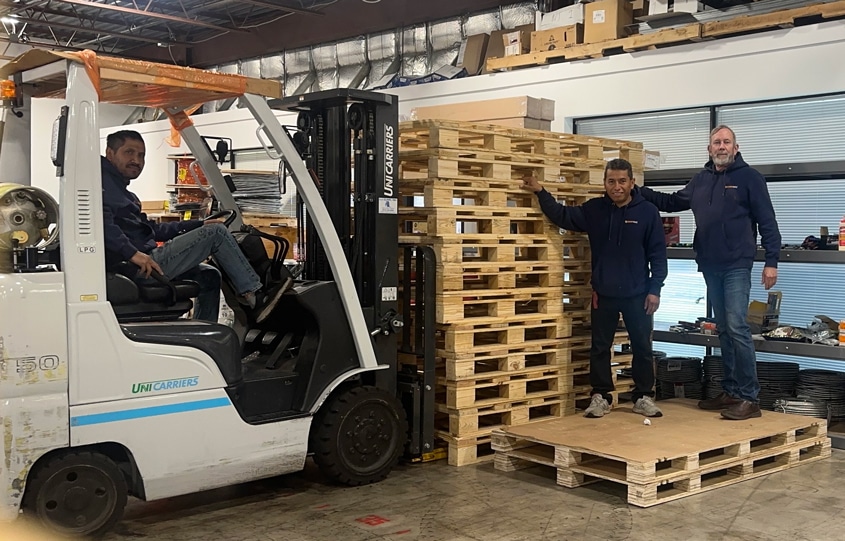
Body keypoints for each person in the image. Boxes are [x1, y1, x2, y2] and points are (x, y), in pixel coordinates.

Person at [638, 125, 781, 421]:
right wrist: (637, 190)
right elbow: (671, 202)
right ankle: (731, 391)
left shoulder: (749, 178)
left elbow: (768, 221)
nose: (721, 146)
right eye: (716, 142)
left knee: (737, 327)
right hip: (710, 264)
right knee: (725, 329)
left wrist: (772, 261)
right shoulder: (700, 181)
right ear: (709, 149)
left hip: (737, 264)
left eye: (727, 142)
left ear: (736, 147)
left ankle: (750, 398)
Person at [522, 158, 667, 419]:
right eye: (611, 181)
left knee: (642, 347)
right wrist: (540, 192)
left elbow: (658, 255)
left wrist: (655, 289)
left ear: (632, 183)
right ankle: (601, 396)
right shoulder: (595, 210)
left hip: (638, 295)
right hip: (604, 294)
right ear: (605, 183)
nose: (617, 186)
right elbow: (563, 215)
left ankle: (643, 396)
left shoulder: (647, 212)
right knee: (600, 347)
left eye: (622, 181)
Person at [102, 130, 292, 324]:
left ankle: (204, 333)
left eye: (141, 155)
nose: (136, 160)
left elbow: (154, 230)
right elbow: (102, 224)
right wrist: (133, 254)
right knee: (216, 233)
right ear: (110, 153)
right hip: (135, 267)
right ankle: (254, 295)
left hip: (140, 261)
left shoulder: (123, 193)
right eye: (129, 152)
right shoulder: (100, 185)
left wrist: (199, 224)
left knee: (210, 275)